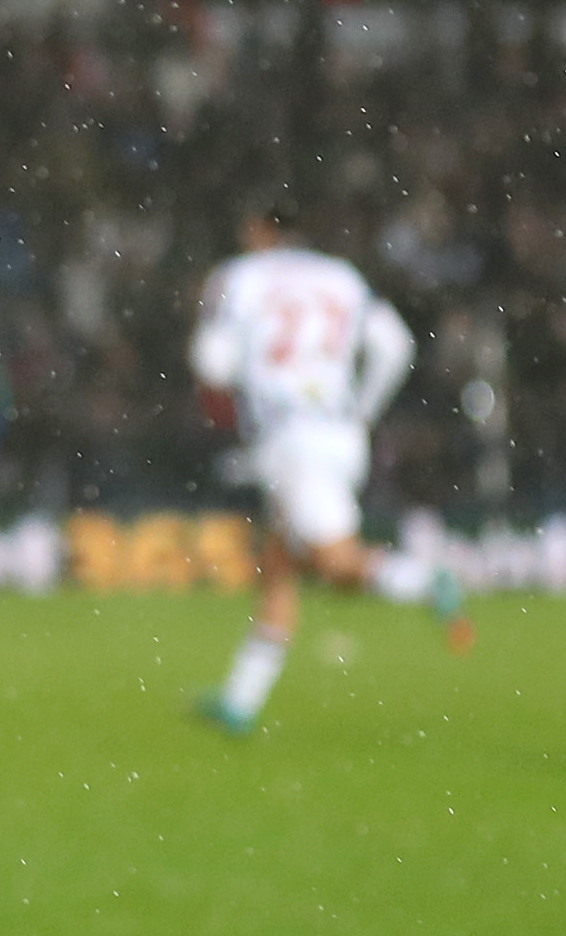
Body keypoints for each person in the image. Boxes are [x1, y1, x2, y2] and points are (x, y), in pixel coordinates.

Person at [191, 201, 456, 734]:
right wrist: (362, 410)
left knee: (336, 565)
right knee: (279, 565)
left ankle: (426, 580)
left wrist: (235, 377)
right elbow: (394, 344)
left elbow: (212, 362)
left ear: (257, 231)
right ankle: (241, 701)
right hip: (338, 430)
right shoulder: (341, 276)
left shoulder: (237, 277)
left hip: (291, 436)